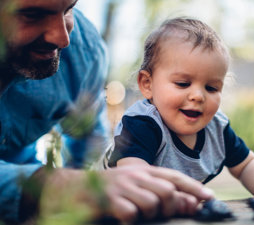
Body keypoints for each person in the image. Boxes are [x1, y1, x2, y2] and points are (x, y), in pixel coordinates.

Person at [0, 0, 213, 224]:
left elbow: (86, 144)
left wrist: (81, 193)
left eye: (69, 9)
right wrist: (54, 187)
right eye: (32, 15)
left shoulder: (83, 52)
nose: (62, 39)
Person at [103, 17, 254, 209]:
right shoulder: (142, 124)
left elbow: (247, 164)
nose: (198, 96)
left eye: (211, 88)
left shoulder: (217, 128)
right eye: (183, 84)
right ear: (147, 84)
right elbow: (135, 176)